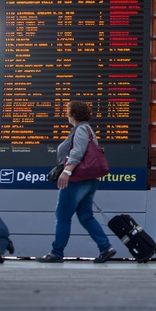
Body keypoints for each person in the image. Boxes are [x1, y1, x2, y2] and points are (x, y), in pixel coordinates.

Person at [37, 101, 116, 263]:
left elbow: (77, 152)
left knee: (63, 216)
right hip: (90, 180)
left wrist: (67, 172)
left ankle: (56, 252)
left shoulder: (81, 130)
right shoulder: (87, 130)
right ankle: (105, 247)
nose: (67, 114)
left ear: (73, 114)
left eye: (68, 111)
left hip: (77, 179)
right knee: (86, 216)